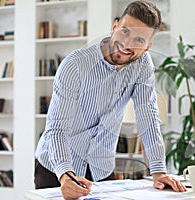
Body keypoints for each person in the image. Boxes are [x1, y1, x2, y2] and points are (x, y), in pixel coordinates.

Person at [34, 1, 187, 199]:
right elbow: (56, 128)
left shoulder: (142, 66)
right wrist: (65, 174)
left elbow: (148, 116)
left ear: (147, 47)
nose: (127, 44)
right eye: (125, 32)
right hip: (57, 168)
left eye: (139, 40)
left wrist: (159, 171)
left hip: (101, 169)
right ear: (115, 27)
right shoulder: (75, 65)